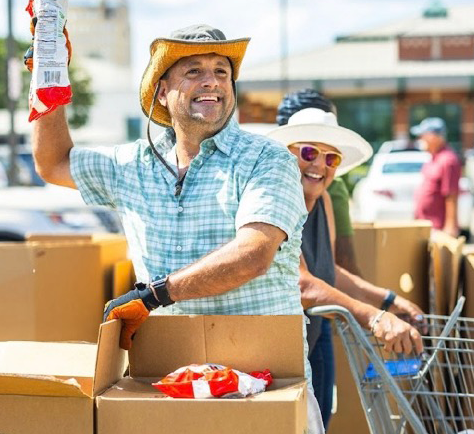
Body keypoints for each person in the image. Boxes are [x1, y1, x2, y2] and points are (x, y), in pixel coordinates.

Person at [29, 23, 324, 433]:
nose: (212, 82)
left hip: (268, 386)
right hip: (173, 385)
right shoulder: (133, 164)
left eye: (222, 71)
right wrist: (50, 79)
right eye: (194, 71)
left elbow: (253, 255)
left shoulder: (266, 159)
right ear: (161, 92)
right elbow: (53, 163)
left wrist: (154, 295)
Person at [268, 89, 425, 430]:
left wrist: (388, 299)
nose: (319, 165)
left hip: (317, 330)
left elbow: (327, 270)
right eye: (309, 152)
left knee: (321, 420)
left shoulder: (323, 203)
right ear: (288, 154)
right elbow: (300, 281)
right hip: (280, 343)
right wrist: (375, 317)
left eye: (331, 158)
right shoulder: (275, 201)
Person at [411, 117, 461, 237]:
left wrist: (450, 227)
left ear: (433, 137)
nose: (420, 139)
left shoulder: (448, 160)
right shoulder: (433, 158)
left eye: (422, 135)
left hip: (438, 229)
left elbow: (451, 196)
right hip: (426, 226)